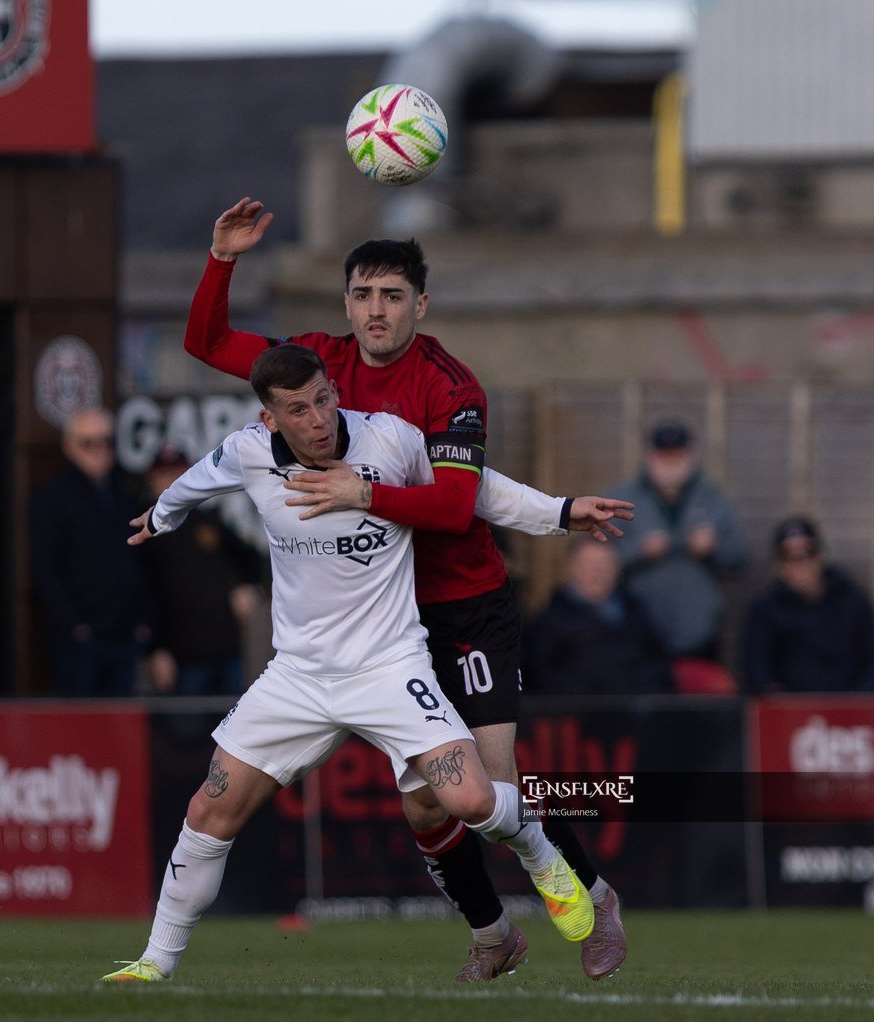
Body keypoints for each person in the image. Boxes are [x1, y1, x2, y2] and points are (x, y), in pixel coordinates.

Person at [179, 196, 631, 982]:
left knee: (491, 789)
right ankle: (493, 934)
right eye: (362, 295)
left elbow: (458, 505)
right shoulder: (317, 363)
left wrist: (364, 494)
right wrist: (222, 258)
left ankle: (597, 897)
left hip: (463, 608)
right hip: (378, 624)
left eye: (392, 296)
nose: (375, 310)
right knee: (426, 805)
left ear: (420, 304)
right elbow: (208, 341)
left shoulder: (450, 386)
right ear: (346, 303)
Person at [102, 344, 593, 983]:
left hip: (391, 666)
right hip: (298, 677)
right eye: (299, 410)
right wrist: (161, 518)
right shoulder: (249, 451)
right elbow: (194, 482)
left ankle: (534, 849)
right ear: (271, 419)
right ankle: (153, 964)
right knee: (207, 811)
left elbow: (472, 489)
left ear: (335, 389)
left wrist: (558, 514)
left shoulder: (389, 439)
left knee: (472, 799)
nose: (319, 419)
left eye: (324, 398)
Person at [28, 407, 152, 697]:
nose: (100, 450)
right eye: (89, 443)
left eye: (106, 441)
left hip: (123, 633)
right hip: (82, 639)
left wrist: (142, 619)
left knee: (119, 724)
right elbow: (46, 568)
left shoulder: (123, 495)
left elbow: (141, 560)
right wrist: (74, 625)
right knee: (82, 727)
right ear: (69, 447)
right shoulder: (54, 499)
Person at [610, 420, 749, 663]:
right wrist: (638, 551)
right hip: (637, 634)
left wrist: (713, 548)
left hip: (700, 633)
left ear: (691, 455)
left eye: (677, 455)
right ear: (649, 457)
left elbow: (739, 559)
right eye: (664, 455)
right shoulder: (621, 499)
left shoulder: (715, 500)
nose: (670, 462)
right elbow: (595, 562)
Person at [141, 442, 263, 697]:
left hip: (225, 647)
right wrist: (156, 649)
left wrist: (248, 587)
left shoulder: (208, 520)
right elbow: (142, 594)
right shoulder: (143, 531)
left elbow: (250, 557)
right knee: (185, 732)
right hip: (180, 655)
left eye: (177, 474)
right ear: (151, 479)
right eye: (163, 474)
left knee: (231, 728)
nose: (169, 482)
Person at [742, 517, 874, 693]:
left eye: (807, 552)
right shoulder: (765, 610)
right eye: (789, 556)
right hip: (790, 713)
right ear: (778, 565)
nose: (800, 563)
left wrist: (859, 699)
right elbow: (756, 667)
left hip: (849, 711)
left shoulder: (853, 601)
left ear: (821, 555)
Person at [525, 538, 672, 695]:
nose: (597, 571)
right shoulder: (549, 620)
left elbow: (659, 664)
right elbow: (541, 676)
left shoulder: (637, 612)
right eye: (589, 564)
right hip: (581, 710)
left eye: (605, 564)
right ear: (571, 568)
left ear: (618, 571)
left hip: (636, 709)